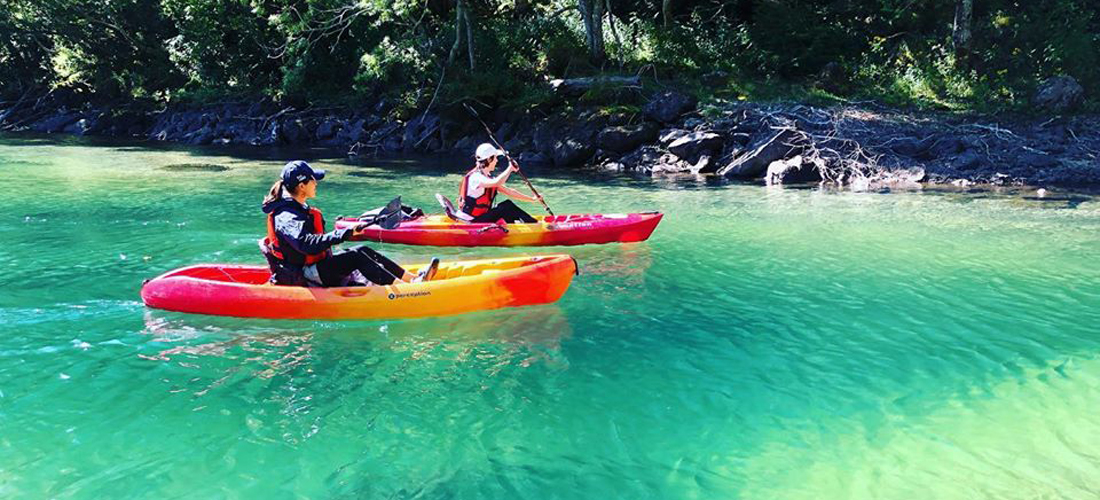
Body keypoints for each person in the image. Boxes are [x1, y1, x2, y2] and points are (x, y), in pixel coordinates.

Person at [260, 160, 438, 287]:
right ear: (301, 186)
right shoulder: (286, 216)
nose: (316, 183)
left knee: (362, 250)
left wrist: (346, 234)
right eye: (313, 180)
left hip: (313, 267)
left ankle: (412, 279)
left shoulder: (297, 207)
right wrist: (342, 234)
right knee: (355, 257)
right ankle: (407, 291)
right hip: (302, 275)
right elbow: (306, 245)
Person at [459, 143, 542, 223]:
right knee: (507, 207)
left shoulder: (486, 177)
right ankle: (534, 224)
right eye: (495, 158)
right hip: (470, 222)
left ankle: (522, 227)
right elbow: (497, 182)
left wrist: (532, 199)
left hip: (479, 218)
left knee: (507, 207)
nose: (497, 160)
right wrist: (510, 168)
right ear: (489, 160)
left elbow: (509, 191)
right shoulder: (476, 177)